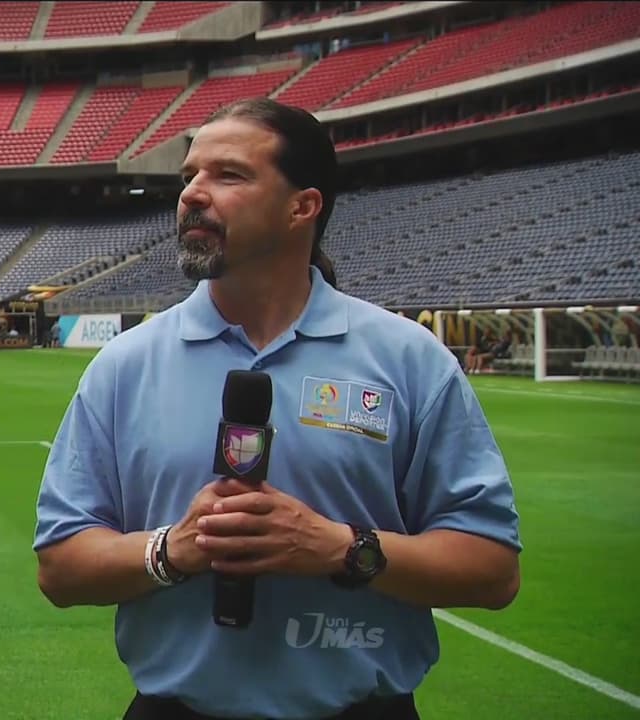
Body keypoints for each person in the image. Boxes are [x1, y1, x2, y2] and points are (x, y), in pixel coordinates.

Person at [33, 97, 521, 720]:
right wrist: (172, 549)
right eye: (189, 176)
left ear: (302, 207)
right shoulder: (125, 366)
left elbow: (492, 569)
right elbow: (60, 566)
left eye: (228, 175)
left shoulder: (408, 360)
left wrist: (340, 549)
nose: (193, 194)